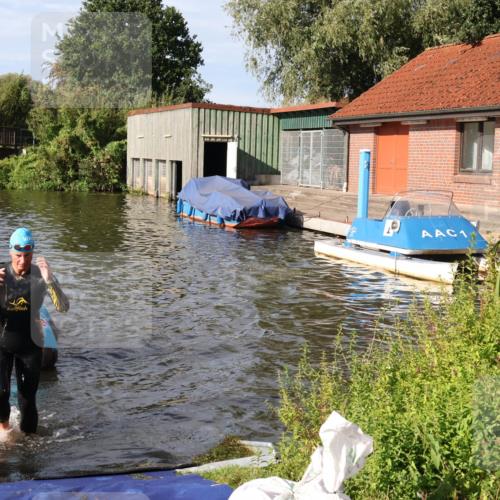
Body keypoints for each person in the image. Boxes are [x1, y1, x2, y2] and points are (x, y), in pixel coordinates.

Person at [0, 228, 69, 434]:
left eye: (27, 256)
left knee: (27, 399)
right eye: (18, 255)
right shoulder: (1, 273)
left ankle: (29, 448)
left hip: (30, 346)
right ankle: (4, 431)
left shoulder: (40, 276)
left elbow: (63, 307)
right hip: (1, 345)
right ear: (11, 253)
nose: (22, 261)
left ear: (32, 253)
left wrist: (50, 280)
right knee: (0, 392)